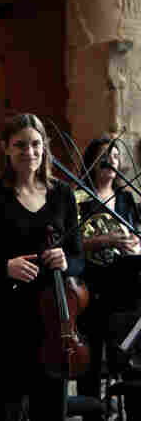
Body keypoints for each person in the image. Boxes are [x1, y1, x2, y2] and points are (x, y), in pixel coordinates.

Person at [0, 113, 83, 421]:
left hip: (53, 325)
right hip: (4, 324)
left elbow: (79, 258)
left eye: (36, 144)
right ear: (5, 148)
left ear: (45, 147)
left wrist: (67, 262)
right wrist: (3, 267)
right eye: (20, 145)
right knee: (6, 411)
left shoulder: (63, 195)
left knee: (51, 411)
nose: (29, 152)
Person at [76, 138, 141, 421]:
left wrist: (133, 243)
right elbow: (70, 243)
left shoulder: (126, 199)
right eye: (105, 155)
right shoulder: (78, 197)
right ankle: (92, 413)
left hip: (123, 288)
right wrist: (104, 240)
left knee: (126, 360)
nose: (111, 159)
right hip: (87, 289)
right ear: (92, 160)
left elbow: (137, 234)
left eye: (115, 155)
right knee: (89, 363)